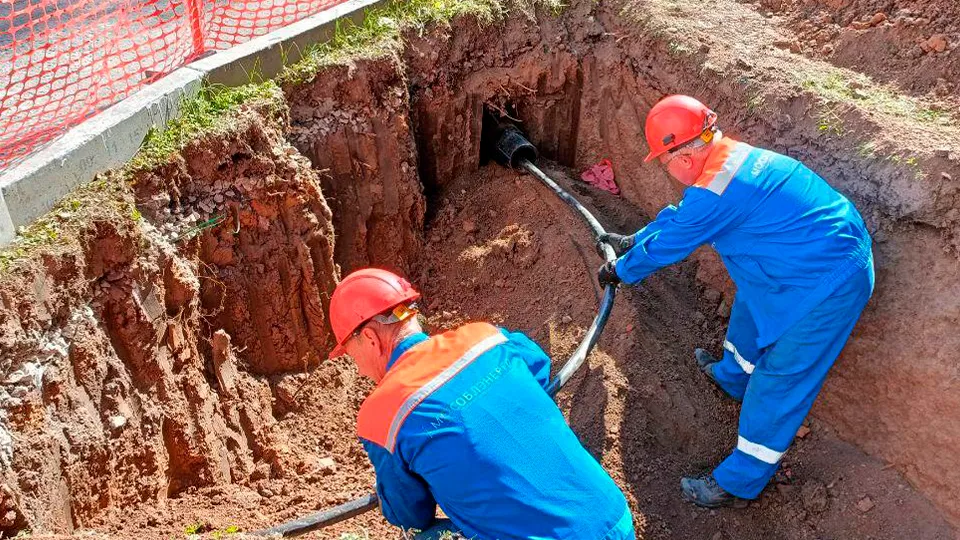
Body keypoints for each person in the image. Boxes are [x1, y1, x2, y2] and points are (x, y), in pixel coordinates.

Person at [597, 95, 874, 508]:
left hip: (829, 281)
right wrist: (635, 239)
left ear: (684, 158)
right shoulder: (728, 158)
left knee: (780, 380)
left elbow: (674, 241)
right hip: (802, 256)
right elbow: (685, 216)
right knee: (749, 308)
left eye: (663, 161)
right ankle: (732, 376)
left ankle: (739, 481)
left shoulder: (716, 192)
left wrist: (619, 271)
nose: (666, 170)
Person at [328, 268, 635, 539]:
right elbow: (539, 368)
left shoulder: (382, 414)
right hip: (613, 517)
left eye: (351, 353)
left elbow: (410, 515)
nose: (358, 367)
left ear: (370, 338)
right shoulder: (485, 337)